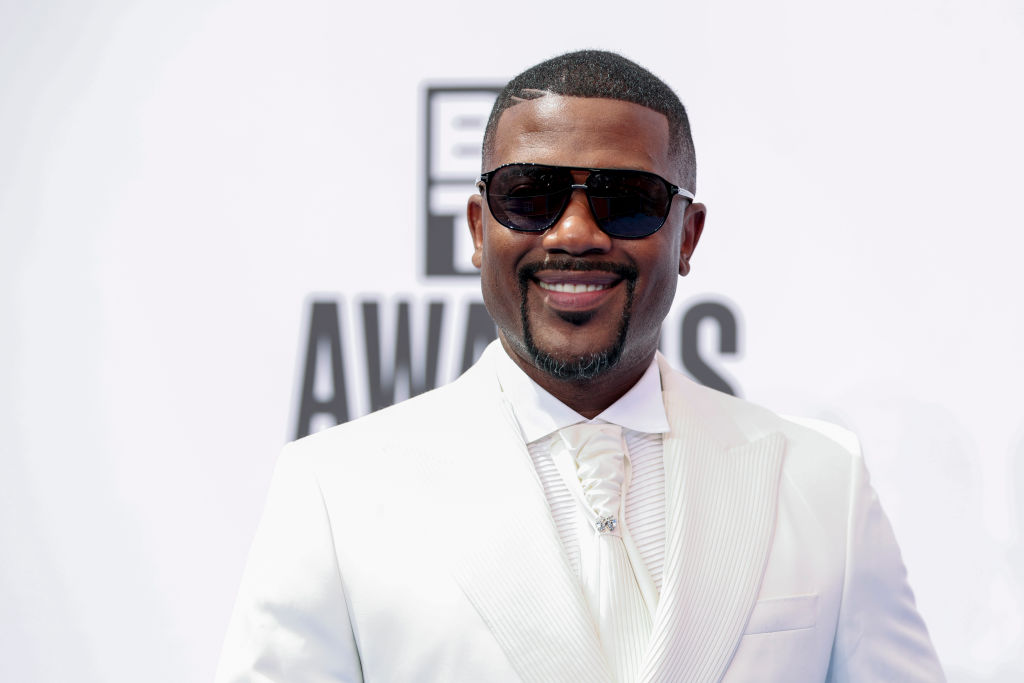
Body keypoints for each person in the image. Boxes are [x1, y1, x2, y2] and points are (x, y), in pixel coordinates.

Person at [216, 50, 944, 682]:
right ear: (478, 228)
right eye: (529, 196)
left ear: (687, 237)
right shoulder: (335, 490)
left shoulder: (822, 480)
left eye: (626, 202)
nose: (574, 232)